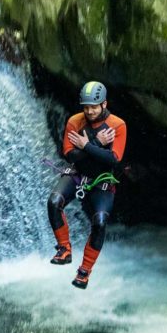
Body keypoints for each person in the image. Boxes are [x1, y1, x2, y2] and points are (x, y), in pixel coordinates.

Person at [47, 81, 127, 290]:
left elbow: (113, 159)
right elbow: (70, 155)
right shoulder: (75, 121)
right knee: (54, 201)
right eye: (86, 107)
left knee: (99, 222)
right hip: (77, 175)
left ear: (104, 104)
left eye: (94, 106)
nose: (90, 111)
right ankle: (64, 249)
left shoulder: (118, 125)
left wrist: (86, 145)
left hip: (102, 181)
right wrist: (97, 144)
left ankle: (84, 271)